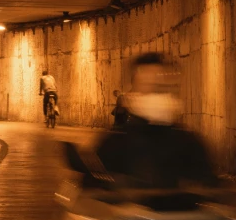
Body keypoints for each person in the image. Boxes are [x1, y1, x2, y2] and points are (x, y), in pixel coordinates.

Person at [86, 52, 216, 189]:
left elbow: (209, 187)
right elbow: (92, 193)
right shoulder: (114, 143)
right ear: (134, 89)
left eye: (160, 86)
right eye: (148, 85)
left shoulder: (189, 143)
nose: (155, 92)